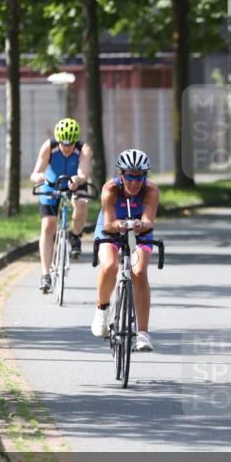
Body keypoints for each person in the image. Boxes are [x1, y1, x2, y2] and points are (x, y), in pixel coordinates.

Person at [90, 149, 161, 352]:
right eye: (129, 176)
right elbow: (109, 224)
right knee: (110, 265)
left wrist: (138, 225)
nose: (134, 182)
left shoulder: (151, 191)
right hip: (111, 227)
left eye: (140, 177)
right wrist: (121, 225)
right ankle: (102, 311)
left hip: (140, 231)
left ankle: (143, 334)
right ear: (121, 174)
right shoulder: (110, 189)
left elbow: (149, 221)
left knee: (138, 272)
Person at [29, 117, 92, 293]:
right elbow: (36, 172)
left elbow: (83, 172)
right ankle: (45, 274)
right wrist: (39, 177)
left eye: (70, 145)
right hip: (51, 185)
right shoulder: (49, 147)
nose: (66, 148)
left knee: (81, 203)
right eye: (63, 144)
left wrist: (78, 179)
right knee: (48, 225)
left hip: (74, 182)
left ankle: (75, 236)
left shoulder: (83, 150)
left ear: (75, 141)